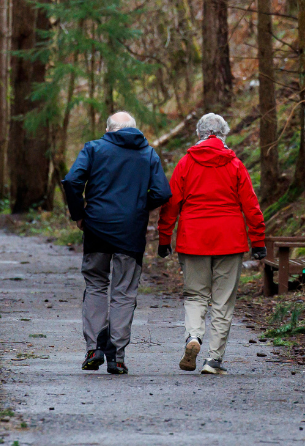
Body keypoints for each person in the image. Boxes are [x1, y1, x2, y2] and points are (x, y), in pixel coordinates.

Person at [156, 113, 266, 375]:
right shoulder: (235, 165)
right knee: (222, 301)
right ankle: (213, 360)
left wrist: (164, 239)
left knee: (195, 295)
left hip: (193, 238)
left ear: (199, 134)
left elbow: (171, 206)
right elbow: (251, 206)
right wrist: (258, 240)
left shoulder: (186, 163)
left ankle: (193, 337)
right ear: (224, 134)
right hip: (230, 239)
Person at [62, 111, 171, 375]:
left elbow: (72, 180)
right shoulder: (148, 153)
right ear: (133, 129)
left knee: (96, 284)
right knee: (124, 292)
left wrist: (79, 214)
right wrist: (139, 208)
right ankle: (117, 355)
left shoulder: (94, 149)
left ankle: (94, 348)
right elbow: (163, 192)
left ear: (109, 130)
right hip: (130, 231)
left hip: (97, 227)